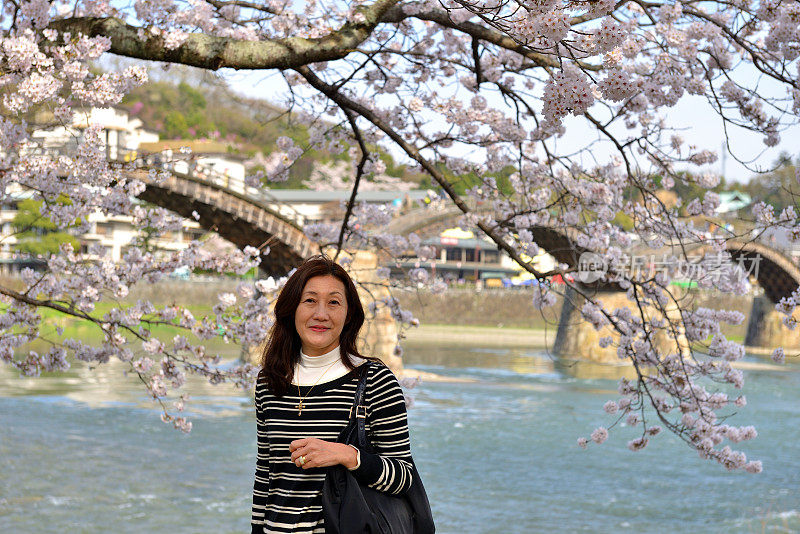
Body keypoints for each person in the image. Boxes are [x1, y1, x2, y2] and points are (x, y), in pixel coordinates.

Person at [252, 255, 414, 533]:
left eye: (334, 302)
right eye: (310, 300)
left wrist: (347, 455)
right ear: (292, 309)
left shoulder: (375, 380)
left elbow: (404, 477)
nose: (321, 314)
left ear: (349, 314)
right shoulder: (270, 381)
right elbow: (265, 473)